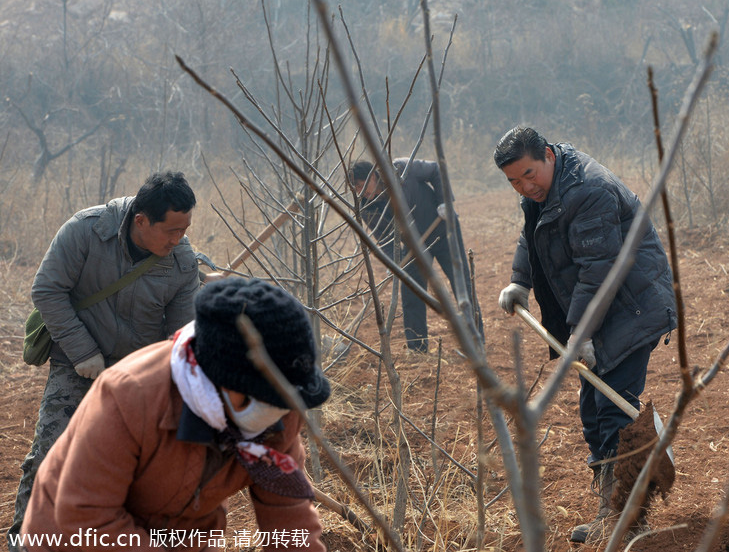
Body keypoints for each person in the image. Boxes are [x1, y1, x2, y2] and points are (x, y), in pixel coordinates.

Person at [18, 278, 330, 552]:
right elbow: (86, 516)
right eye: (260, 397)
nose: (274, 411)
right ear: (218, 379)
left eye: (282, 400)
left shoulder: (281, 412)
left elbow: (288, 517)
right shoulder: (131, 395)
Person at [494, 126, 677, 544]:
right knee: (595, 411)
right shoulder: (542, 190)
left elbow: (600, 270)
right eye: (514, 182)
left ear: (547, 155)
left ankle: (624, 521)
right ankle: (610, 509)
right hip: (602, 310)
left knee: (615, 413)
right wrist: (520, 281)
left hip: (631, 305)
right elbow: (531, 235)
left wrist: (581, 331)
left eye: (528, 174)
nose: (524, 186)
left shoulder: (588, 191)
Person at [8, 172, 201, 550]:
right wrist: (84, 353)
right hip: (76, 364)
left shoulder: (182, 262)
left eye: (184, 230)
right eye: (171, 231)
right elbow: (48, 290)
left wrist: (161, 387)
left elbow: (180, 337)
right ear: (141, 221)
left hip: (138, 378)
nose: (178, 240)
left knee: (145, 469)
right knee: (51, 453)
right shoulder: (86, 230)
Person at [349, 159, 482, 353]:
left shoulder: (400, 170)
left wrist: (444, 201)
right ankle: (417, 348)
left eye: (363, 185)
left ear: (373, 175)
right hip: (414, 246)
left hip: (443, 228)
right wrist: (392, 264)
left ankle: (476, 342)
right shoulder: (366, 207)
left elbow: (436, 169)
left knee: (460, 282)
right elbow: (385, 239)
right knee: (411, 290)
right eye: (356, 188)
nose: (362, 191)